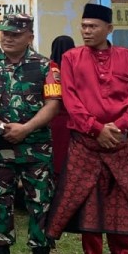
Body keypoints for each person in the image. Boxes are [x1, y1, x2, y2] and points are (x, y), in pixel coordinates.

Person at [47, 3, 128, 254]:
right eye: (84, 26)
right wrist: (96, 129)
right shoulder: (72, 58)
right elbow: (71, 100)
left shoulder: (126, 57)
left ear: (109, 29)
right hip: (86, 145)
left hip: (121, 145)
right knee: (90, 207)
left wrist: (119, 127)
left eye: (93, 26)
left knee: (123, 205)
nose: (86, 31)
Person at [0, 14, 61, 254]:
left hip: (35, 149)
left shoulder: (45, 66)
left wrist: (25, 129)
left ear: (29, 37)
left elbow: (53, 104)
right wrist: (2, 127)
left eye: (15, 34)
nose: (8, 38)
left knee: (40, 205)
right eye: (5, 33)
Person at [49, 35, 76, 181]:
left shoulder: (48, 70)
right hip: (74, 123)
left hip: (52, 121)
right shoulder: (77, 69)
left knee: (55, 160)